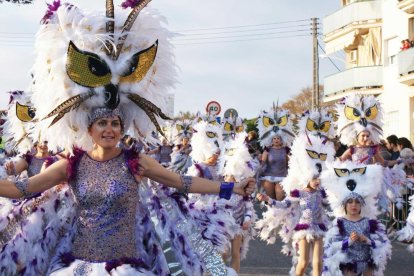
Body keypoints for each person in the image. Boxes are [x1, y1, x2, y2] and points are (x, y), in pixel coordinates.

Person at [0, 1, 255, 275]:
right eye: (102, 123)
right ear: (90, 130)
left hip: (126, 267)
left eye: (115, 123)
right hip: (80, 266)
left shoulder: (137, 163)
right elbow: (22, 190)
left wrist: (233, 189)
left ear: (122, 129)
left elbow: (183, 182)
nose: (109, 129)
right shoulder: (70, 165)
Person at [322, 161, 391, 276]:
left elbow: (381, 245)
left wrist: (367, 240)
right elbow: (332, 246)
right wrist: (348, 241)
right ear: (345, 205)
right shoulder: (339, 223)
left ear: (361, 205)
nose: (353, 205)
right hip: (348, 264)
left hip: (367, 263)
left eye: (357, 202)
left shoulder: (369, 222)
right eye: (350, 202)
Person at [257, 176, 328, 276]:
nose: (317, 181)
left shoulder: (322, 193)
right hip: (304, 229)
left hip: (319, 229)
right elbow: (283, 204)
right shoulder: (299, 193)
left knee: (318, 263)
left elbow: (331, 204)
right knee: (303, 262)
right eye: (314, 179)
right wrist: (268, 199)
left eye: (319, 179)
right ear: (306, 178)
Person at [260, 135, 289, 200]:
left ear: (281, 140)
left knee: (280, 199)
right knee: (271, 200)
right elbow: (262, 163)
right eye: (274, 138)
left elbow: (289, 164)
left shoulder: (285, 150)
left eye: (278, 138)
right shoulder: (267, 150)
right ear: (272, 140)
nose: (276, 140)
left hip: (282, 177)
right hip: (269, 177)